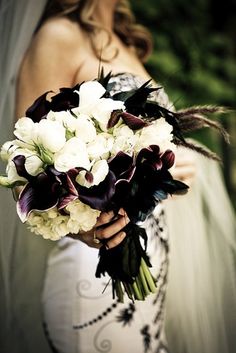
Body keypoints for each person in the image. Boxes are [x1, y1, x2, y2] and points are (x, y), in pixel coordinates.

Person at [0, 1, 235, 353]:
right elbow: (26, 167)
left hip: (151, 262)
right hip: (95, 269)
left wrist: (168, 164)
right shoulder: (58, 35)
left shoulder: (122, 40)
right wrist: (84, 227)